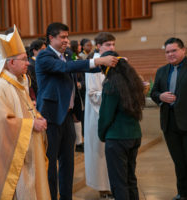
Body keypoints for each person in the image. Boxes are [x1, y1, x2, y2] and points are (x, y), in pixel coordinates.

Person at [35, 22, 118, 200]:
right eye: (62, 37)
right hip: (50, 117)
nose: (67, 40)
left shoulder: (66, 55)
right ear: (51, 38)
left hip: (67, 116)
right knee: (50, 165)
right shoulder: (44, 56)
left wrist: (107, 65)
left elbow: (78, 67)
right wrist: (97, 60)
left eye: (67, 36)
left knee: (68, 163)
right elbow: (65, 68)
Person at [0, 26, 50, 200]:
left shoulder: (20, 81)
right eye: (23, 59)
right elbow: (3, 123)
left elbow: (26, 108)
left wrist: (37, 116)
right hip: (14, 153)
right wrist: (32, 124)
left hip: (30, 146)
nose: (28, 63)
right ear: (11, 62)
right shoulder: (0, 86)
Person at [151, 38, 187, 200]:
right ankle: (184, 193)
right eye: (167, 52)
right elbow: (154, 93)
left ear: (183, 50)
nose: (170, 54)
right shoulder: (162, 71)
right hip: (169, 123)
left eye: (174, 50)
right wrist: (161, 96)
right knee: (179, 162)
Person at [98, 51, 145, 200]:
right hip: (135, 135)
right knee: (130, 178)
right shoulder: (134, 82)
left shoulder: (111, 84)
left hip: (117, 138)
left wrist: (102, 134)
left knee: (119, 182)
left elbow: (106, 116)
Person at [84, 32, 115, 198]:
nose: (111, 48)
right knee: (99, 153)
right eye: (108, 45)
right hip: (98, 115)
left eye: (113, 45)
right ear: (98, 46)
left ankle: (112, 185)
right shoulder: (94, 65)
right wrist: (114, 95)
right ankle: (103, 188)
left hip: (110, 113)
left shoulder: (111, 62)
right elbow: (93, 94)